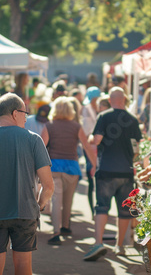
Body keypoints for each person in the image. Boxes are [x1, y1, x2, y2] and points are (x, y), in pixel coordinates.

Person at [0, 93, 54, 275]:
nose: (26, 117)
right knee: (24, 268)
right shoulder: (33, 139)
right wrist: (38, 206)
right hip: (24, 211)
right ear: (16, 113)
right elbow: (48, 185)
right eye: (25, 113)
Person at [84, 87, 142, 261]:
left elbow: (97, 140)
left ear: (110, 100)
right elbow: (137, 147)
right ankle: (120, 246)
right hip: (126, 171)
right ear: (124, 99)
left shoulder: (104, 116)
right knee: (124, 210)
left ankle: (98, 243)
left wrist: (89, 138)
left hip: (106, 170)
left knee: (102, 206)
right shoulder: (132, 120)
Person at [40, 97, 97, 245]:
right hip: (72, 167)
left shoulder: (49, 126)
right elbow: (86, 146)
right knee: (68, 200)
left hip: (54, 167)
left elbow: (40, 147)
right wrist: (94, 165)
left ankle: (56, 232)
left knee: (56, 200)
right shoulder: (76, 126)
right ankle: (66, 227)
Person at [81, 87, 101, 215]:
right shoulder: (86, 109)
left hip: (99, 146)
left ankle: (98, 207)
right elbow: (86, 129)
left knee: (99, 178)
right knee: (91, 177)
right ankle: (92, 209)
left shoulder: (101, 108)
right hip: (90, 147)